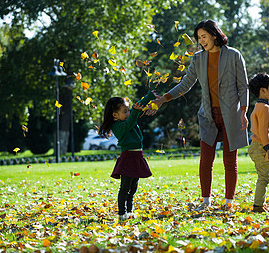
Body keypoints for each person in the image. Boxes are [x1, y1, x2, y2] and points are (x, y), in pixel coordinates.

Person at [146, 20, 249, 211]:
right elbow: (185, 85)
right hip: (208, 115)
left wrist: (243, 112)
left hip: (231, 114)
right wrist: (163, 99)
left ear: (214, 35)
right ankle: (206, 201)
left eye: (204, 36)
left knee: (229, 160)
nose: (201, 41)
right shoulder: (198, 59)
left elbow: (243, 86)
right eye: (199, 38)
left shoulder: (234, 55)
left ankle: (228, 202)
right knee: (205, 160)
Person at [99, 91, 156, 221]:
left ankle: (130, 211)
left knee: (133, 188)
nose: (128, 113)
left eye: (128, 110)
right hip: (128, 158)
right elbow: (129, 123)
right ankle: (122, 213)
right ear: (115, 115)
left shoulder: (128, 116)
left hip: (137, 157)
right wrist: (134, 112)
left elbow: (137, 106)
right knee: (125, 188)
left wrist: (149, 96)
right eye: (125, 111)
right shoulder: (118, 126)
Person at [247, 73, 269, 213]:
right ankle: (258, 206)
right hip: (261, 147)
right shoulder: (264, 109)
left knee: (264, 176)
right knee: (264, 177)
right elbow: (264, 131)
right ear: (263, 90)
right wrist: (268, 147)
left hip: (258, 146)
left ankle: (260, 204)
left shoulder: (260, 106)